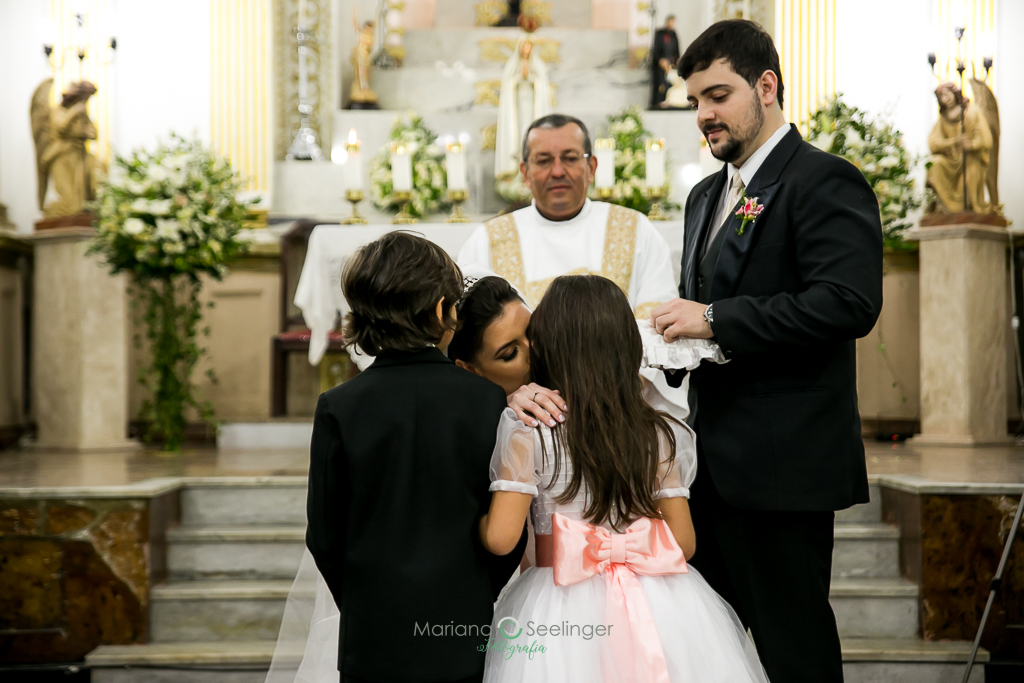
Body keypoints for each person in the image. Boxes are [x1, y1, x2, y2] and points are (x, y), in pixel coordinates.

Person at [650, 20, 883, 683]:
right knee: (703, 652)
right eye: (696, 100)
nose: (704, 114)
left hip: (784, 468)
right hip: (708, 471)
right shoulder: (705, 196)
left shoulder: (822, 179)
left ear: (767, 86)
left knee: (794, 653)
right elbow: (705, 311)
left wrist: (714, 319)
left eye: (718, 95)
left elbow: (848, 303)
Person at [478, 274, 769, 682]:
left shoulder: (529, 430)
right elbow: (683, 544)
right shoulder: (660, 433)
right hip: (659, 603)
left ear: (545, 348)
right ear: (629, 346)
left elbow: (500, 539)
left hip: (555, 603)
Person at [304, 232, 526, 683]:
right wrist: (476, 593)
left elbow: (324, 535)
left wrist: (368, 604)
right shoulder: (486, 400)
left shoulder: (339, 406)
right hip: (460, 633)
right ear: (443, 310)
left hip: (373, 640)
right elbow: (507, 516)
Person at [459, 113, 687, 428]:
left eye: (569, 158)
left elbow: (657, 327)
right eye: (543, 160)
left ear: (591, 166)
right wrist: (511, 398)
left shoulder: (635, 230)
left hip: (619, 415)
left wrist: (611, 396)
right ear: (525, 172)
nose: (557, 171)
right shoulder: (488, 239)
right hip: (528, 420)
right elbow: (469, 347)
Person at [926, 81, 993, 214]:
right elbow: (933, 142)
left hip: (970, 158)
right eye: (941, 97)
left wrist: (972, 144)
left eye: (947, 94)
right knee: (934, 164)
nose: (945, 99)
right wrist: (952, 142)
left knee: (970, 167)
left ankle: (970, 206)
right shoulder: (944, 118)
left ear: (954, 93)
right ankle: (943, 207)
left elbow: (985, 138)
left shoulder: (971, 111)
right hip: (951, 160)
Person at [649, 15, 681, 109]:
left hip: (671, 63)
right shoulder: (660, 33)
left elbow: (677, 50)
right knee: (660, 85)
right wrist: (660, 60)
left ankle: (669, 102)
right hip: (660, 64)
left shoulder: (673, 34)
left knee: (670, 83)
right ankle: (657, 103)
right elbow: (655, 49)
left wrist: (675, 63)